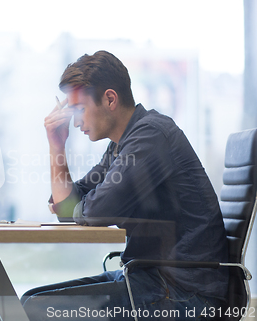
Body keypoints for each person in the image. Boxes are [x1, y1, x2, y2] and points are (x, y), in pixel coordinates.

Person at [21, 51, 228, 320]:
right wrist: (57, 145)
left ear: (109, 99)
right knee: (30, 301)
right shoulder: (123, 144)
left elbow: (94, 212)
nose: (75, 122)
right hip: (153, 279)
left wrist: (78, 206)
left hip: (185, 294)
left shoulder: (150, 136)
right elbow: (68, 207)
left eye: (79, 109)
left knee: (37, 308)